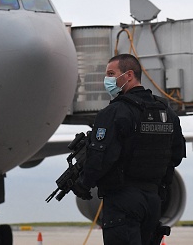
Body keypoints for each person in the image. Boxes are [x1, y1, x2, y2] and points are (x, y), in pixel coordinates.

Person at [72, 54, 186, 245]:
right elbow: (176, 154)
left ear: (129, 75)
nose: (107, 80)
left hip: (123, 201)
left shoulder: (114, 112)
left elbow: (101, 157)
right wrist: (161, 185)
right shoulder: (165, 112)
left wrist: (84, 184)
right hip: (153, 201)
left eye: (111, 74)